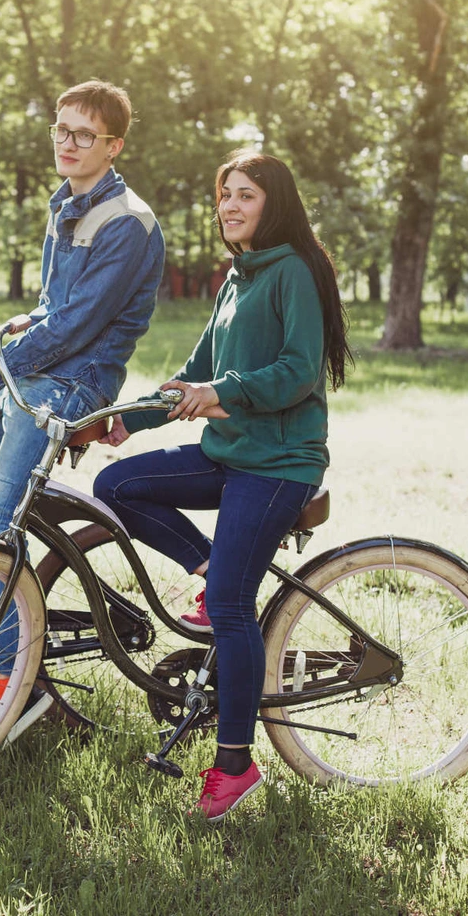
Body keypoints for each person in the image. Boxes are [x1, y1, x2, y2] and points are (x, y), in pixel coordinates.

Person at [93, 150, 353, 821]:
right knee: (116, 485)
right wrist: (124, 420)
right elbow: (191, 376)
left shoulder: (293, 270)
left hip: (278, 464)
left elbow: (299, 371)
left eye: (246, 195)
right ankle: (210, 565)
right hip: (231, 452)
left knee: (234, 610)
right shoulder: (237, 277)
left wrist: (220, 393)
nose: (231, 206)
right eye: (225, 195)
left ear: (275, 203)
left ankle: (234, 766)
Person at [0, 79, 165, 735]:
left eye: (83, 134)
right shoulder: (65, 205)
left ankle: (19, 692)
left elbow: (74, 329)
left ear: (114, 145)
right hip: (32, 379)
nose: (67, 143)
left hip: (74, 383)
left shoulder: (126, 223)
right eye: (61, 129)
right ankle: (21, 625)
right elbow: (45, 312)